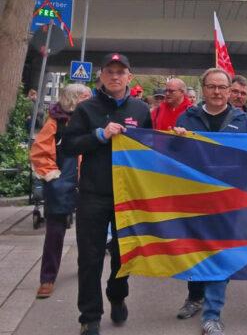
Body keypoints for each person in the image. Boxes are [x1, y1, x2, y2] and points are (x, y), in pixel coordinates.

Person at [62, 53, 152, 335]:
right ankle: (90, 315)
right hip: (93, 194)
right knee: (89, 257)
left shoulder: (140, 109)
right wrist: (99, 135)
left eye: (120, 71)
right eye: (110, 71)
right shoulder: (86, 109)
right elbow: (68, 146)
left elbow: (150, 147)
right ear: (101, 76)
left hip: (128, 195)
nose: (115, 76)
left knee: (123, 255)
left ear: (129, 76)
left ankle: (117, 294)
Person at [172, 68, 247, 335]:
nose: (217, 92)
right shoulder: (187, 117)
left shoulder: (243, 120)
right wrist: (176, 140)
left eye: (222, 87)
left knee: (220, 255)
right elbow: (171, 158)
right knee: (196, 252)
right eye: (212, 87)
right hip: (195, 200)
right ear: (203, 89)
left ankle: (212, 314)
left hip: (228, 201)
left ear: (230, 91)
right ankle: (194, 297)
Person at [30, 83, 91, 299]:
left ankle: (84, 269)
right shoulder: (56, 121)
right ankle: (47, 278)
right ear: (74, 98)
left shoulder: (90, 119)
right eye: (85, 96)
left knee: (88, 234)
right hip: (61, 185)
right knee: (54, 234)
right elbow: (39, 152)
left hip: (88, 184)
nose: (90, 99)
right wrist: (53, 177)